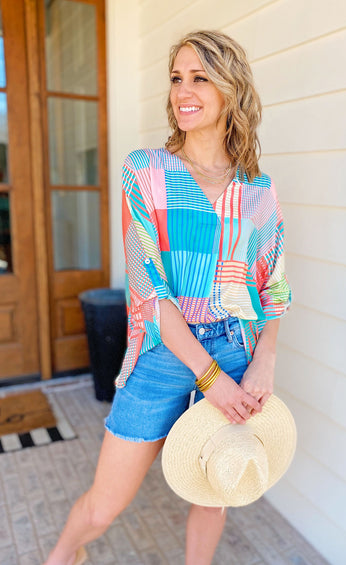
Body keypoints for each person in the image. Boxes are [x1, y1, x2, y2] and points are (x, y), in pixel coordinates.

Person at [44, 30, 291, 565]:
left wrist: (264, 361)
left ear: (231, 89)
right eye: (177, 78)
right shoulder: (146, 171)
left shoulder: (256, 188)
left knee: (213, 491)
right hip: (164, 351)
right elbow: (152, 291)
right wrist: (210, 379)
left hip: (237, 347)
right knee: (104, 507)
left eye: (200, 77)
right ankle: (63, 555)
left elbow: (272, 287)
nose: (183, 90)